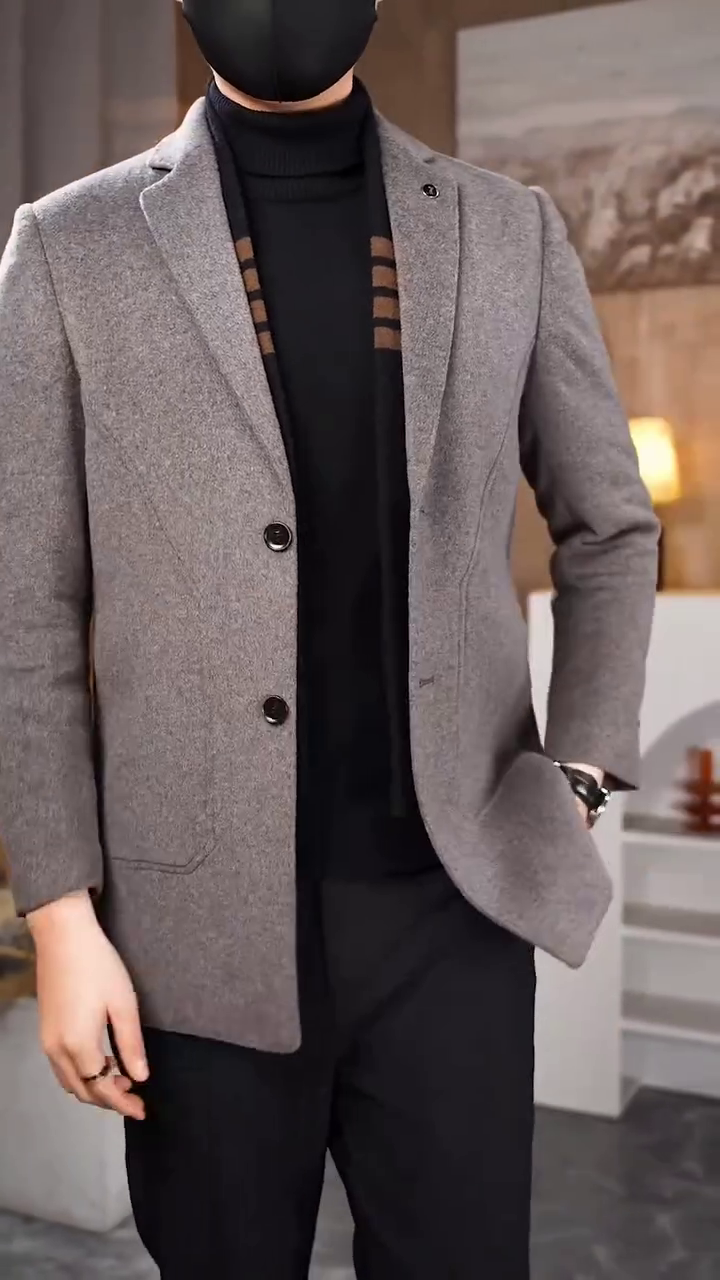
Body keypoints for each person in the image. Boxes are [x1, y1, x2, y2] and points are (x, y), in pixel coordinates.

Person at [0, 1, 659, 1276]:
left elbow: (611, 527)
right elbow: (25, 608)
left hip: (453, 914)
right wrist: (64, 919)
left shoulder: (506, 228)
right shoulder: (70, 245)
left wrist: (578, 773)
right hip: (189, 927)